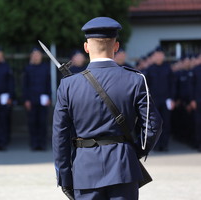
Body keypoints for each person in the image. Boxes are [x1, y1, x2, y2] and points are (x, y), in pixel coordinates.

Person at [52, 17, 162, 200]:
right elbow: (153, 124)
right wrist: (133, 152)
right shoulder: (135, 79)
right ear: (116, 46)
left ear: (86, 47)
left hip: (84, 171)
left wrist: (64, 177)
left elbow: (60, 135)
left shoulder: (68, 85)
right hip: (123, 167)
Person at [144, 47, 176, 151]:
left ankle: (164, 144)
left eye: (160, 55)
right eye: (157, 55)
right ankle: (155, 145)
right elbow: (146, 86)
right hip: (154, 100)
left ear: (163, 56)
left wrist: (172, 98)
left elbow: (173, 84)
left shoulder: (168, 68)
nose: (159, 57)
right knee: (154, 123)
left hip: (166, 99)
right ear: (154, 56)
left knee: (166, 122)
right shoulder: (150, 69)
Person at [23, 47, 51, 151]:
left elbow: (48, 84)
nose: (36, 56)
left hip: (43, 99)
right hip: (31, 99)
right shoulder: (28, 68)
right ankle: (34, 143)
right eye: (34, 55)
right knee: (32, 122)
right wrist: (26, 99)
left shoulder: (45, 67)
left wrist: (49, 97)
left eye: (38, 54)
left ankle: (42, 143)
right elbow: (25, 86)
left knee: (42, 122)